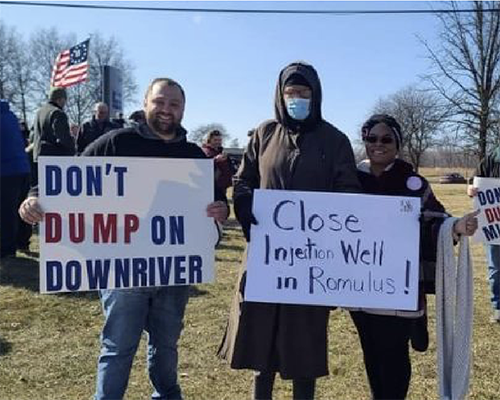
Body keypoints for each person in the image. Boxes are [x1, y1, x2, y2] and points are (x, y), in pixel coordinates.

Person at [19, 77, 229, 400]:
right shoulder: (115, 142)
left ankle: (167, 394)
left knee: (167, 344)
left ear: (183, 110)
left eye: (174, 104)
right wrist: (34, 198)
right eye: (159, 101)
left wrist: (221, 209)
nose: (166, 110)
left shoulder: (192, 155)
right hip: (123, 270)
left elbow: (214, 202)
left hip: (174, 271)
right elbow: (68, 177)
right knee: (118, 346)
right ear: (145, 103)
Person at [218, 61, 360, 399]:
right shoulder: (265, 133)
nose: (297, 98)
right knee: (260, 340)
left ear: (316, 95)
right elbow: (244, 179)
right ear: (281, 95)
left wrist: (328, 217)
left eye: (304, 92)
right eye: (291, 92)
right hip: (266, 256)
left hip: (311, 260)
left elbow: (348, 189)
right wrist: (244, 202)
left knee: (304, 343)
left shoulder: (335, 140)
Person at [350, 114, 479, 400]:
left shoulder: (413, 183)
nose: (378, 145)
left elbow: (434, 219)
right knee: (371, 353)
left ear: (397, 143)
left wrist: (455, 227)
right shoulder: (350, 180)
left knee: (394, 357)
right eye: (371, 139)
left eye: (386, 139)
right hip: (360, 288)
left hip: (398, 289)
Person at [468, 150, 500, 323]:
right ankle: (498, 307)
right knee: (495, 267)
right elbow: (475, 181)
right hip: (495, 224)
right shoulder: (492, 158)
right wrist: (471, 189)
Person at [0, 100, 31, 258]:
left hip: (6, 170)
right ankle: (22, 242)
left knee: (6, 211)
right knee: (20, 209)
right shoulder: (10, 116)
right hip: (22, 167)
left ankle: (6, 250)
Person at [31, 87, 75, 186]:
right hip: (54, 160)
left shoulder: (39, 112)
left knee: (40, 190)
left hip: (37, 157)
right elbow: (63, 137)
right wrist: (73, 148)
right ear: (60, 99)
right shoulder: (57, 113)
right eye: (65, 100)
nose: (65, 103)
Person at [202, 129, 235, 194]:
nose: (218, 142)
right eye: (215, 140)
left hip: (223, 187)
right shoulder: (204, 152)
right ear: (209, 140)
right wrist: (215, 160)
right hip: (210, 187)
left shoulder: (221, 153)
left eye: (219, 140)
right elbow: (203, 166)